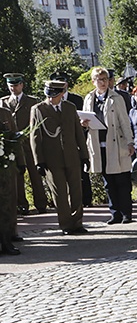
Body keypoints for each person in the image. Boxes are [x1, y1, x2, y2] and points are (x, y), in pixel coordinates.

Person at [31, 80, 89, 235]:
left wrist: (84, 156)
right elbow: (35, 137)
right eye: (49, 95)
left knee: (76, 191)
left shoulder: (70, 108)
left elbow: (78, 133)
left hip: (72, 156)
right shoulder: (38, 109)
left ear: (62, 94)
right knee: (59, 194)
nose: (51, 99)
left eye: (55, 95)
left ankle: (77, 222)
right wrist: (39, 161)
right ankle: (66, 225)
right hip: (52, 159)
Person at [82, 67, 136, 225]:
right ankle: (115, 213)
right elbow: (86, 119)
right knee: (108, 182)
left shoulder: (116, 97)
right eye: (99, 80)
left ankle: (126, 213)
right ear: (93, 82)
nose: (103, 82)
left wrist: (130, 142)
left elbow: (125, 122)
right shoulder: (89, 98)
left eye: (105, 79)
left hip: (116, 143)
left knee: (121, 180)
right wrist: (83, 124)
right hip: (98, 145)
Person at [1, 73, 45, 215]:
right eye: (11, 85)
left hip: (28, 143)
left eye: (16, 84)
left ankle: (41, 203)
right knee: (17, 176)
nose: (13, 88)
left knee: (35, 174)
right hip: (12, 145)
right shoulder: (3, 101)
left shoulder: (32, 101)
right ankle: (22, 205)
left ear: (22, 85)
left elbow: (37, 123)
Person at [0, 103, 25, 254]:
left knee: (4, 205)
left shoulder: (4, 113)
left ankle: (6, 241)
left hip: (3, 167)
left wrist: (20, 162)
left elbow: (14, 139)